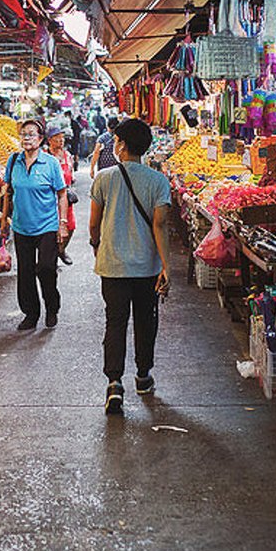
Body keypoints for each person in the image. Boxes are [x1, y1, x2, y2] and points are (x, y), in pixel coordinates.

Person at [89, 118, 174, 416]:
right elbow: (160, 225)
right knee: (145, 321)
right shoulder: (158, 181)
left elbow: (94, 224)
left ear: (122, 146)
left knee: (115, 322)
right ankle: (142, 376)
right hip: (146, 267)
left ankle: (114, 384)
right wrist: (167, 266)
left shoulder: (103, 178)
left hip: (112, 266)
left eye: (116, 141)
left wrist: (96, 244)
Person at [0, 118, 69, 330]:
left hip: (47, 225)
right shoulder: (14, 161)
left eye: (31, 134)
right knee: (25, 272)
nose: (27, 138)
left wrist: (62, 223)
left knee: (46, 268)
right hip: (21, 226)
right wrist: (3, 218)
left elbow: (62, 193)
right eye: (24, 134)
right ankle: (31, 313)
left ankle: (52, 307)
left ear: (40, 139)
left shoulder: (51, 163)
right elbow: (8, 192)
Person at [46, 127, 77, 265]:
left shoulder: (68, 156)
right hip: (49, 199)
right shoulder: (45, 156)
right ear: (49, 140)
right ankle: (51, 257)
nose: (61, 140)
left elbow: (71, 175)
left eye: (62, 138)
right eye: (57, 138)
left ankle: (61, 250)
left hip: (65, 197)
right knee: (51, 229)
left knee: (70, 226)